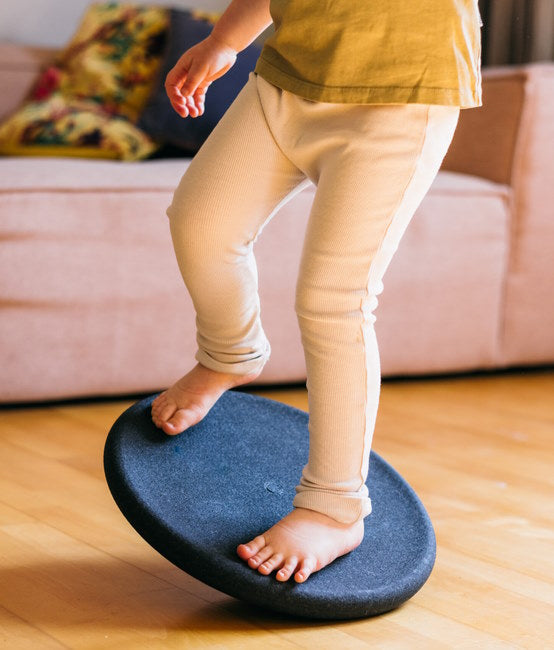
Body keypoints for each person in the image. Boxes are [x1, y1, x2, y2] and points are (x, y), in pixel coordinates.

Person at [151, 0, 482, 584]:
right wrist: (225, 41)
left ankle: (335, 507)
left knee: (334, 302)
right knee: (200, 223)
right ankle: (231, 353)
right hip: (285, 81)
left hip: (401, 98)